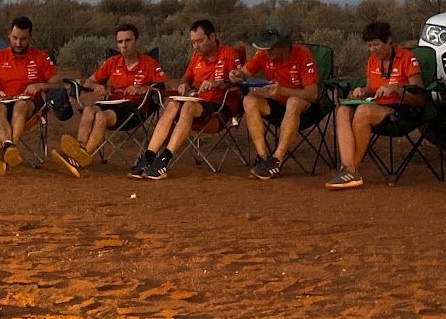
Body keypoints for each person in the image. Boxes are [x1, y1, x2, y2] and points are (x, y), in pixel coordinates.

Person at [129, 19, 243, 181]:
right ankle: (149, 156)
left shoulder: (229, 54)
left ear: (212, 37)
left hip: (219, 109)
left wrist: (218, 83)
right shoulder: (197, 57)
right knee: (173, 103)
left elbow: (239, 82)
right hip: (198, 105)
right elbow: (185, 78)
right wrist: (183, 85)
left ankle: (165, 159)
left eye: (200, 41)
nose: (196, 46)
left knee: (188, 106)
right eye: (193, 42)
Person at [52, 23, 165, 178]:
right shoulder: (112, 62)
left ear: (136, 41)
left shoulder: (149, 64)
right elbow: (88, 82)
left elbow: (164, 88)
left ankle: (80, 158)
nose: (124, 45)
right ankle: (80, 149)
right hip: (112, 103)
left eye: (128, 40)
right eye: (120, 42)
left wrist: (144, 89)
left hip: (134, 109)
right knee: (89, 109)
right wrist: (96, 87)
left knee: (100, 116)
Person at [324, 20, 424, 191]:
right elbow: (371, 89)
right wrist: (361, 91)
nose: (373, 49)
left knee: (363, 111)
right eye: (369, 46)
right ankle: (347, 168)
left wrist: (397, 90)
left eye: (376, 44)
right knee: (342, 110)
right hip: (376, 106)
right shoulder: (372, 61)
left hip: (401, 110)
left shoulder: (407, 58)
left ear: (389, 41)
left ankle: (352, 170)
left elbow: (419, 97)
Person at [0, 16, 72, 176]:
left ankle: (5, 148)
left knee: (21, 105)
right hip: (0, 103)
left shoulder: (40, 57)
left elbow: (58, 85)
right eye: (15, 38)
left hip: (29, 107)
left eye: (23, 39)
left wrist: (41, 85)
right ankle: (10, 149)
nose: (18, 43)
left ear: (30, 37)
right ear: (9, 35)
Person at [232, 28, 321, 179]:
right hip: (277, 105)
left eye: (270, 47)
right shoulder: (264, 54)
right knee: (249, 100)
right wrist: (237, 75)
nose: (266, 52)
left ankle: (277, 160)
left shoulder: (302, 55)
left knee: (293, 102)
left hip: (304, 109)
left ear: (283, 45)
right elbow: (244, 73)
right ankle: (262, 157)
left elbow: (313, 94)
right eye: (264, 48)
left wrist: (282, 90)